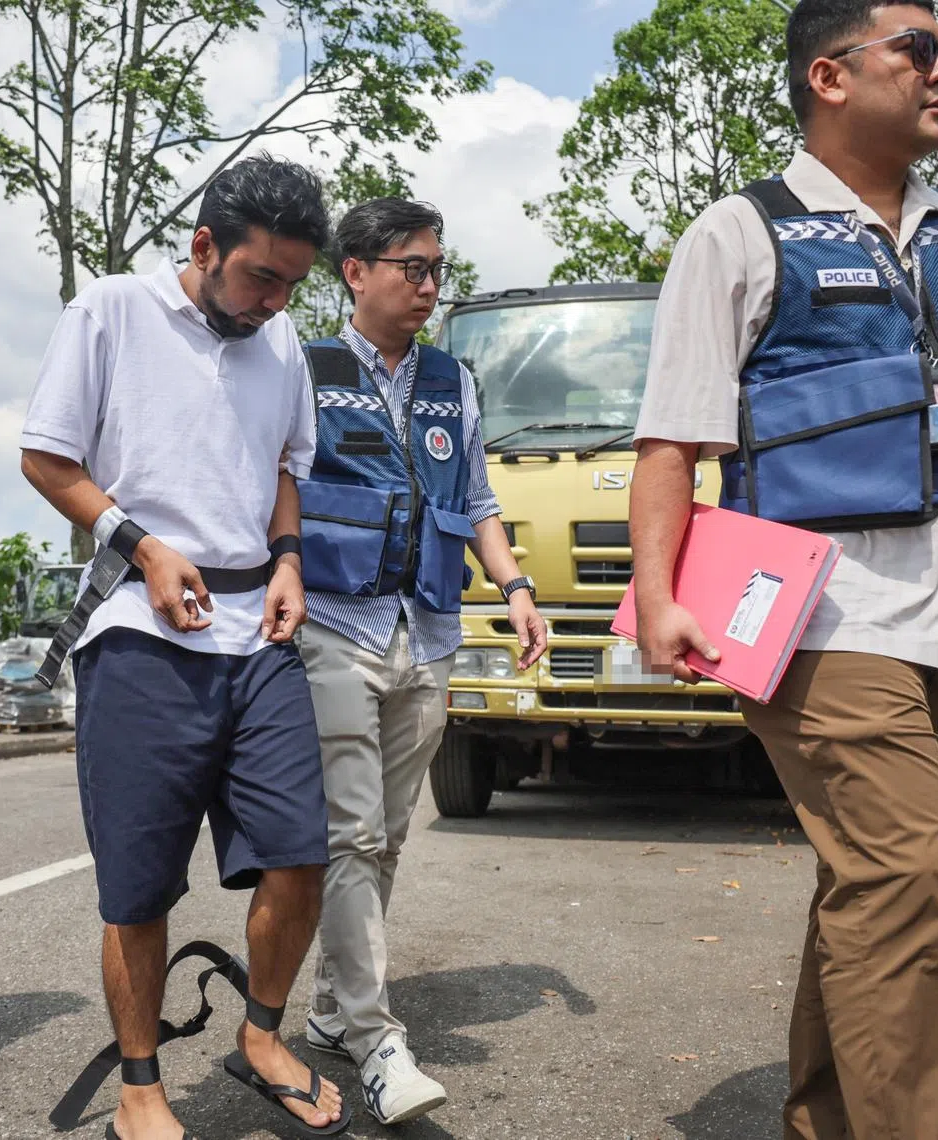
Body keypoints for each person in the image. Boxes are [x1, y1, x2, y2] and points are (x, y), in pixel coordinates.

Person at [630, 2, 938, 1137]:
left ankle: (824, 1119)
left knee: (870, 884)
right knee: (907, 872)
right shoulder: (742, 232)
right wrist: (658, 598)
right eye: (920, 48)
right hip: (823, 617)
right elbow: (672, 439)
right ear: (830, 75)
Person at [20, 155, 348, 1140]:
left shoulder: (279, 341)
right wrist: (145, 547)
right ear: (205, 246)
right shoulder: (111, 311)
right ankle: (139, 1091)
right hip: (139, 631)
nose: (276, 301)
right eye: (261, 277)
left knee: (300, 856)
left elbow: (285, 467)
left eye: (293, 284)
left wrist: (287, 559)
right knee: (138, 882)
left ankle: (261, 1035)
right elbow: (46, 456)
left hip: (259, 638)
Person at [297, 197, 548, 1125]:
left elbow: (477, 497)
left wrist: (515, 587)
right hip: (334, 625)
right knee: (353, 834)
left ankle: (331, 1008)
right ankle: (375, 1040)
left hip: (429, 631)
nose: (431, 285)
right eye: (414, 267)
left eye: (439, 268)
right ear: (355, 271)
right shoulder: (302, 369)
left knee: (390, 834)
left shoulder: (453, 379)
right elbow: (274, 487)